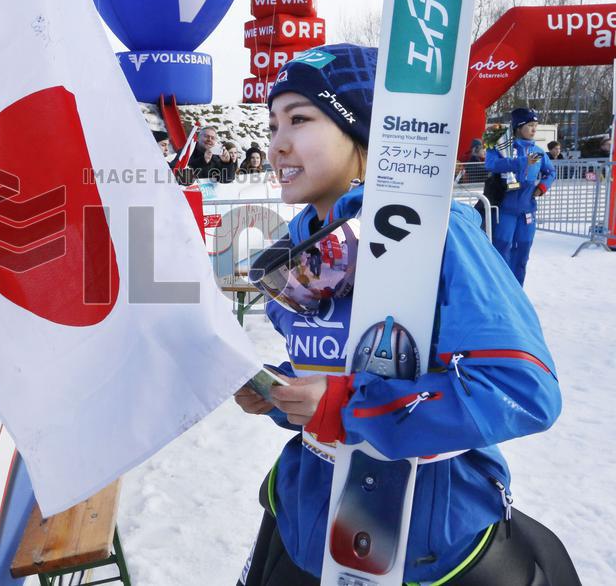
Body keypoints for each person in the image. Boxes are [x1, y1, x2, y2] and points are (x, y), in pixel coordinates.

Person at [235, 44, 578, 585]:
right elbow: (340, 366)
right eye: (273, 123)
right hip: (305, 521)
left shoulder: (440, 232)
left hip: (423, 539)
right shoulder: (299, 242)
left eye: (299, 119)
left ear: (365, 132)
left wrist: (347, 407)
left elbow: (521, 388)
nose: (276, 145)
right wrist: (282, 393)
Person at [484, 108, 556, 285]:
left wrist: (542, 187)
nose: (534, 129)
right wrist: (522, 161)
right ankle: (500, 290)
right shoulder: (501, 146)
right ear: (518, 127)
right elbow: (491, 164)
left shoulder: (538, 151)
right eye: (530, 125)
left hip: (527, 210)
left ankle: (517, 292)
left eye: (536, 126)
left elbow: (551, 172)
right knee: (502, 249)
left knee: (523, 251)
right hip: (505, 209)